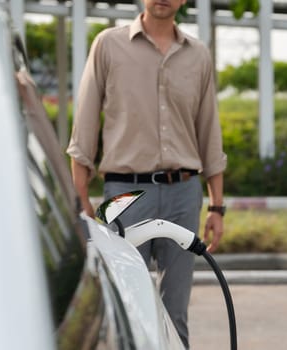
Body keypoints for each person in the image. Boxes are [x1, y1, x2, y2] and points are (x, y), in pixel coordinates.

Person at [66, 0, 227, 347]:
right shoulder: (109, 45)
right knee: (127, 305)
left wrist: (217, 206)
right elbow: (84, 127)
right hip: (124, 194)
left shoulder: (198, 55)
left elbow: (209, 132)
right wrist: (81, 199)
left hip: (183, 192)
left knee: (175, 311)